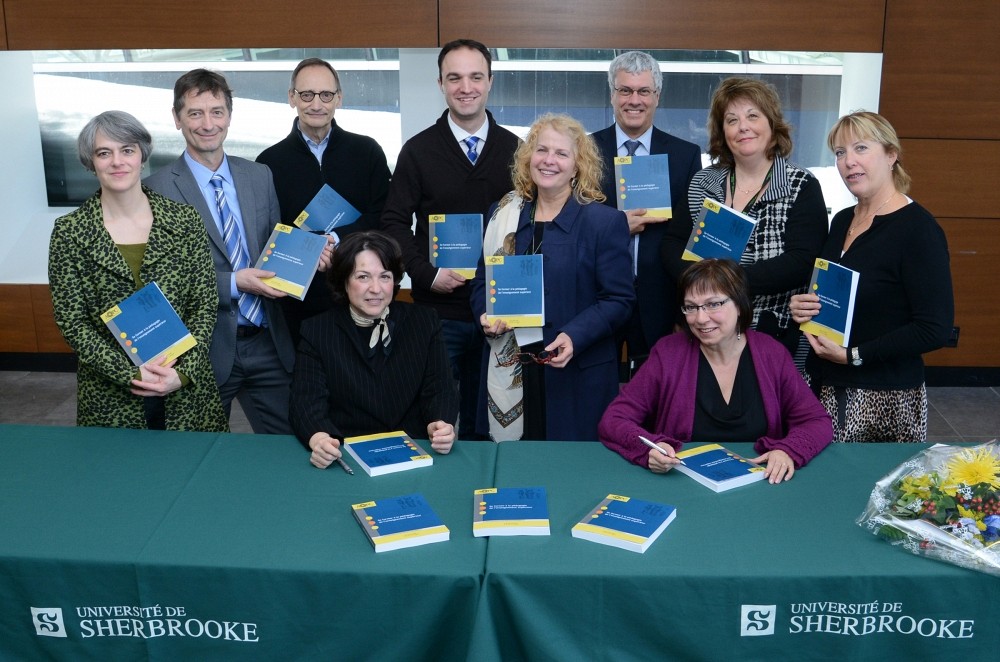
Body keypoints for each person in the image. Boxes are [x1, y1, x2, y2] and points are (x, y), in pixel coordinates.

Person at [146, 69, 320, 434]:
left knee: (290, 446)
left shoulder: (259, 175)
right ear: (177, 118)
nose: (208, 124)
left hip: (268, 341)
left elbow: (272, 249)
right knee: (197, 455)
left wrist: (309, 256)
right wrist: (233, 283)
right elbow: (160, 281)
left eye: (217, 111)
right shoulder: (155, 190)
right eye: (195, 113)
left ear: (229, 115)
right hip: (202, 349)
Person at [48, 111, 227, 431]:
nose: (117, 161)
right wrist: (130, 372)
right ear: (90, 162)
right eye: (105, 153)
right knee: (120, 480)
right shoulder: (69, 232)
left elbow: (204, 304)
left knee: (197, 475)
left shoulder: (185, 221)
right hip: (111, 397)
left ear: (143, 155)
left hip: (185, 391)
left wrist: (182, 372)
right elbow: (72, 323)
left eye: (127, 150)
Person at [380, 39, 520, 439]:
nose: (466, 87)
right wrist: (425, 274)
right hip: (439, 313)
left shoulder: (517, 151)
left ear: (490, 81)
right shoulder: (418, 150)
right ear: (440, 83)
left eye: (476, 76)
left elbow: (530, 227)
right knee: (433, 419)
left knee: (492, 419)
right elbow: (393, 222)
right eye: (454, 77)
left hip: (500, 312)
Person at [789, 111, 953, 442]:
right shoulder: (842, 220)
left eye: (861, 148)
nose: (848, 161)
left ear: (892, 155)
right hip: (824, 384)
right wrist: (803, 308)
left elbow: (934, 329)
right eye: (839, 152)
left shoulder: (918, 230)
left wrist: (854, 354)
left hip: (883, 398)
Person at [470, 113, 634, 442]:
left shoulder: (604, 223)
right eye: (542, 150)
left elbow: (619, 300)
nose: (549, 161)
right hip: (512, 368)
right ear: (528, 157)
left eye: (562, 154)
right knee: (514, 474)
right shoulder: (502, 215)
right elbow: (481, 282)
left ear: (577, 166)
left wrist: (574, 336)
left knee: (569, 478)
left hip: (574, 374)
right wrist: (484, 315)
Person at [599, 258, 832, 481]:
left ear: (740, 304)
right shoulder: (668, 353)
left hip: (760, 481)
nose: (700, 318)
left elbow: (816, 421)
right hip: (681, 481)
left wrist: (788, 450)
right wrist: (649, 448)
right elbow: (614, 419)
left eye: (713, 304)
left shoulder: (771, 353)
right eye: (691, 307)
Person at [661, 77, 828, 356]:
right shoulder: (703, 182)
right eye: (732, 120)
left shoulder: (801, 184)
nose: (743, 127)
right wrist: (701, 290)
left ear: (773, 126)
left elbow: (802, 260)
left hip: (772, 332)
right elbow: (672, 243)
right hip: (705, 329)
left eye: (753, 116)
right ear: (722, 131)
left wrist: (724, 283)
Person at [290, 231, 459, 469]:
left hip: (415, 450)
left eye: (385, 277)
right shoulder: (317, 330)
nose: (376, 289)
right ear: (343, 281)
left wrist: (440, 423)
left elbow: (440, 387)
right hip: (347, 453)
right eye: (363, 277)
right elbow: (305, 400)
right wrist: (319, 438)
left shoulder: (423, 321)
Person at [257, 57, 391, 343]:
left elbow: (384, 214)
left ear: (339, 99)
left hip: (362, 296)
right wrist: (311, 249)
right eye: (306, 94)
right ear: (292, 98)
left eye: (326, 95)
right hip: (298, 304)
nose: (316, 104)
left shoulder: (367, 152)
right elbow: (266, 230)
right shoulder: (269, 162)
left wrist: (334, 238)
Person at [591, 51, 702, 369]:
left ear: (657, 96)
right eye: (625, 90)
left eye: (643, 91)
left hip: (662, 300)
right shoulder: (584, 152)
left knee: (659, 402)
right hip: (598, 296)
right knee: (597, 396)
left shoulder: (685, 155)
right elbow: (570, 224)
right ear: (612, 95)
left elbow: (691, 237)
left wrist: (687, 308)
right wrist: (615, 225)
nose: (634, 100)